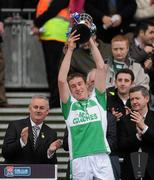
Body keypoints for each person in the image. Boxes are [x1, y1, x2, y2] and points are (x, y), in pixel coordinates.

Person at [58, 31, 114, 179]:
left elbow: (101, 68)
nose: (77, 88)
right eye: (73, 86)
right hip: (79, 159)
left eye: (79, 84)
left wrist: (89, 39)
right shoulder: (69, 106)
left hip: (101, 156)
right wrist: (70, 50)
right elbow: (61, 80)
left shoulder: (98, 100)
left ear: (86, 85)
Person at [2, 95, 62, 164]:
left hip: (38, 173)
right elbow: (5, 153)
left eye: (42, 108)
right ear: (29, 109)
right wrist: (21, 142)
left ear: (47, 111)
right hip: (16, 172)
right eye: (35, 107)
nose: (38, 110)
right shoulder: (15, 126)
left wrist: (50, 152)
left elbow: (52, 165)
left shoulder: (51, 133)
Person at [32, 0, 70, 108]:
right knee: (52, 69)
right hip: (49, 34)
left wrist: (36, 23)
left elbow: (52, 10)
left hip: (56, 34)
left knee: (54, 69)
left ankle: (56, 99)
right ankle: (55, 97)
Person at [117, 85, 154, 180]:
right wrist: (137, 136)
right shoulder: (124, 120)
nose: (134, 102)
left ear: (147, 98)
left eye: (137, 98)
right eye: (132, 99)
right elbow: (121, 145)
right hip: (130, 170)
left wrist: (144, 128)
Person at [129, 20, 154, 110]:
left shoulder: (152, 47)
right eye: (151, 32)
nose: (153, 35)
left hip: (149, 90)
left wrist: (148, 68)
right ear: (141, 33)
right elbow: (128, 63)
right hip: (132, 91)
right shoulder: (128, 44)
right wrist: (144, 52)